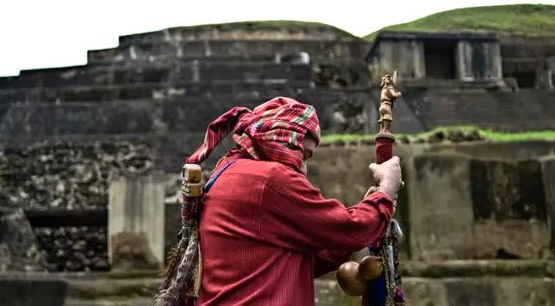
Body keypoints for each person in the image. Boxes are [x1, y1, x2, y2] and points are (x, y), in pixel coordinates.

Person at [157, 97, 403, 306]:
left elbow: (297, 260)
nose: (304, 168)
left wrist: (371, 206)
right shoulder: (270, 179)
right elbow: (353, 230)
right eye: (303, 153)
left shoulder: (228, 171)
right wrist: (386, 190)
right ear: (281, 138)